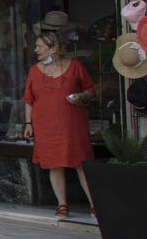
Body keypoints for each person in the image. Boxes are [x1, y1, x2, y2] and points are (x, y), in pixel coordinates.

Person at [22, 30, 96, 220]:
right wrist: (28, 123)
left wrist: (81, 96)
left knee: (81, 162)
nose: (36, 50)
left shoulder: (75, 67)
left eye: (40, 46)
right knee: (54, 163)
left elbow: (90, 90)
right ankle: (62, 204)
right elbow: (29, 99)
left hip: (72, 123)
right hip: (46, 123)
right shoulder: (34, 71)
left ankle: (95, 204)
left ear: (53, 48)